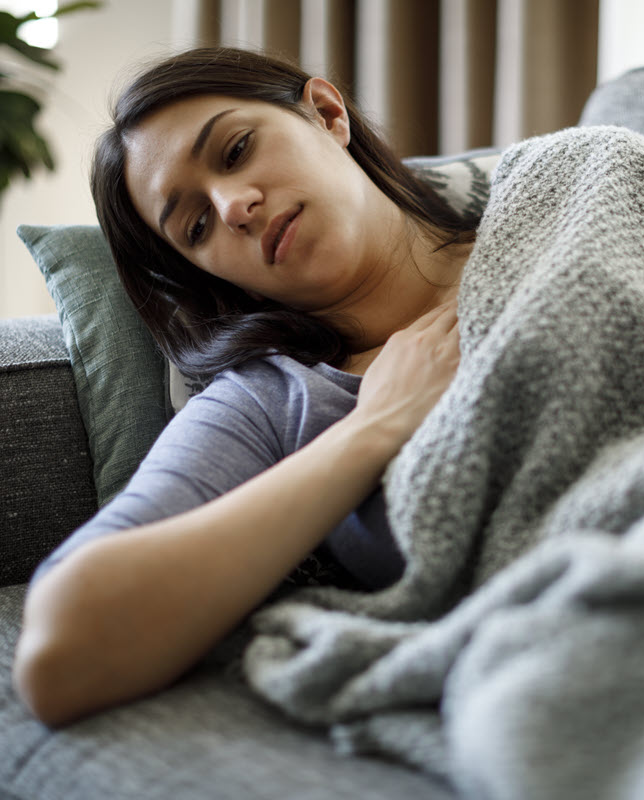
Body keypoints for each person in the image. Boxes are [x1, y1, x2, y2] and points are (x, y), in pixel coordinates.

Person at [12, 47, 477, 727]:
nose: (234, 206)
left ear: (326, 113)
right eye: (195, 226)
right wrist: (372, 430)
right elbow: (60, 655)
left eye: (235, 151)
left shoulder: (565, 194)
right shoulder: (270, 400)